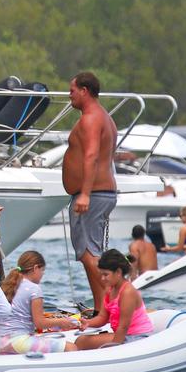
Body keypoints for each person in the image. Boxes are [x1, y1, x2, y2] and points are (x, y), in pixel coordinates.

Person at [62, 71, 118, 311]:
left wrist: (84, 193)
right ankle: (101, 310)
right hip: (101, 193)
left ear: (84, 91)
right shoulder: (104, 117)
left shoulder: (91, 118)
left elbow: (92, 155)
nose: (70, 95)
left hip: (92, 194)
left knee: (89, 255)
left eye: (72, 90)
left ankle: (118, 305)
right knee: (90, 255)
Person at [0, 251, 80, 354]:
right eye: (42, 270)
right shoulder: (34, 289)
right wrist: (62, 322)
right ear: (36, 268)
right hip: (17, 342)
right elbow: (40, 323)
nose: (42, 274)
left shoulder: (9, 285)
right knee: (71, 347)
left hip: (0, 341)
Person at [75, 249, 153, 349]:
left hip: (137, 336)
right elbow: (102, 317)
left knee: (82, 343)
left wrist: (113, 349)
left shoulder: (127, 292)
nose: (102, 278)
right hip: (123, 334)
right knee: (81, 341)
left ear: (118, 272)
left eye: (106, 274)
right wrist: (88, 323)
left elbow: (123, 327)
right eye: (101, 274)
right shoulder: (109, 289)